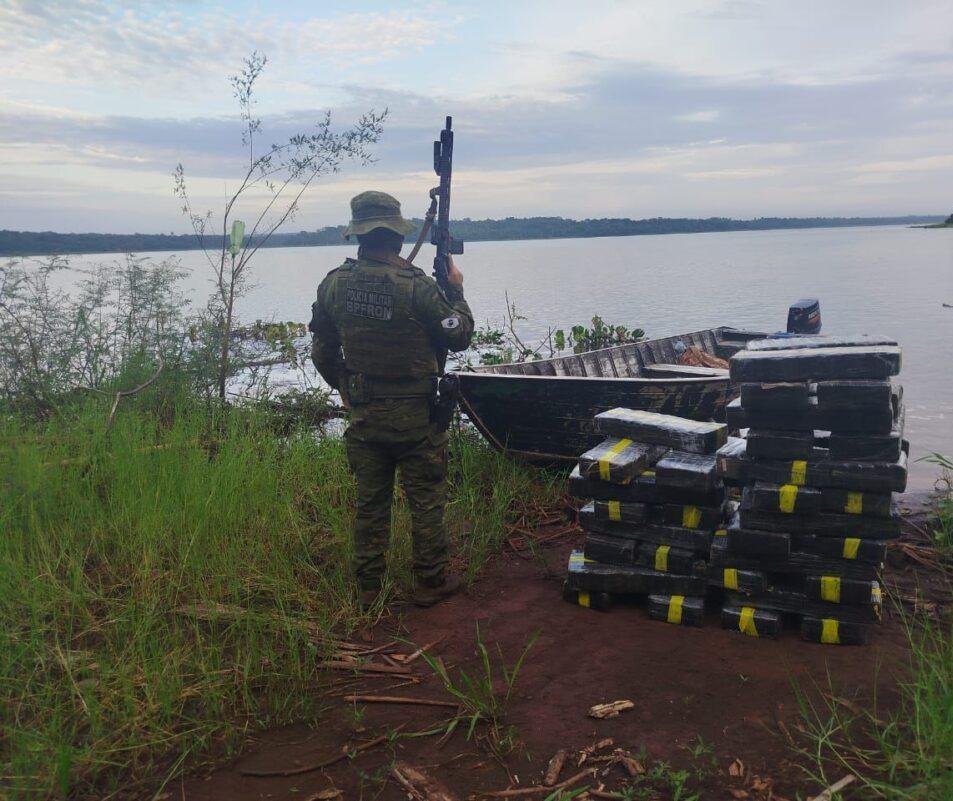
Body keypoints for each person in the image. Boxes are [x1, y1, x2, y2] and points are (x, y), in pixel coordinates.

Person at [309, 191, 475, 608]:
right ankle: (430, 583)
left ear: (359, 236)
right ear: (397, 238)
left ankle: (368, 589)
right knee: (426, 501)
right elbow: (459, 336)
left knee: (370, 504)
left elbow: (322, 351)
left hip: (365, 417)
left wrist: (347, 390)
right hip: (418, 417)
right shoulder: (417, 287)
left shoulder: (333, 284)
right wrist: (455, 290)